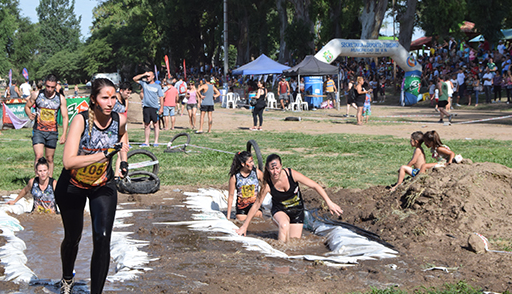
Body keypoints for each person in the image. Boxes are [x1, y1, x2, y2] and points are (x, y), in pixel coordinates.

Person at [54, 78, 129, 294]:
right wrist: (103, 154)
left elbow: (123, 135)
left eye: (113, 97)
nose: (110, 102)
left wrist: (122, 160)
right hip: (72, 186)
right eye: (105, 97)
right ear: (94, 100)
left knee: (103, 237)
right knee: (73, 237)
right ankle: (67, 278)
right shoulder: (81, 120)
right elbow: (68, 161)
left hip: (102, 185)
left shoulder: (119, 119)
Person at [235, 154, 343, 243]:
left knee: (293, 242)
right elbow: (257, 204)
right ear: (267, 169)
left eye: (277, 168)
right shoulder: (267, 185)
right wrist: (244, 226)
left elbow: (315, 185)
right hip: (280, 210)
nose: (275, 172)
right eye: (272, 169)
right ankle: (280, 259)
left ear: (281, 166)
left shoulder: (291, 174)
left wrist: (329, 202)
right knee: (284, 225)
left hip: (297, 212)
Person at [24, 73, 69, 177]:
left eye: (52, 87)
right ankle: (37, 182)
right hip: (39, 130)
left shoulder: (60, 98)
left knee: (49, 158)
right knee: (39, 156)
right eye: (47, 86)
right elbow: (27, 107)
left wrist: (64, 134)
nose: (49, 89)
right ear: (44, 84)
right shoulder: (37, 94)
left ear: (56, 86)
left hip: (52, 132)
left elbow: (65, 117)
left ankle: (49, 182)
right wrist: (29, 114)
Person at [227, 151, 264, 221]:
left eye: (252, 161)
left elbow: (266, 185)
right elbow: (230, 196)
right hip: (242, 208)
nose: (252, 164)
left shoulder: (257, 173)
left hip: (254, 206)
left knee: (258, 218)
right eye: (250, 162)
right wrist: (228, 217)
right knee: (240, 221)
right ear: (243, 164)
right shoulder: (235, 177)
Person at [133, 71, 164, 146]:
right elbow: (134, 79)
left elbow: (161, 97)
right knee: (146, 125)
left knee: (156, 124)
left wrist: (161, 108)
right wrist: (143, 74)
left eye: (149, 76)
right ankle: (146, 142)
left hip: (155, 107)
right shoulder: (144, 84)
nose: (147, 77)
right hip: (146, 107)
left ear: (153, 77)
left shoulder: (157, 86)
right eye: (147, 76)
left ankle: (156, 141)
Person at [113, 81, 132, 179]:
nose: (128, 95)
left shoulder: (124, 100)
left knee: (121, 152)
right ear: (121, 91)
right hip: (110, 131)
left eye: (130, 93)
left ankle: (116, 176)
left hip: (120, 129)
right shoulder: (113, 99)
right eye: (127, 93)